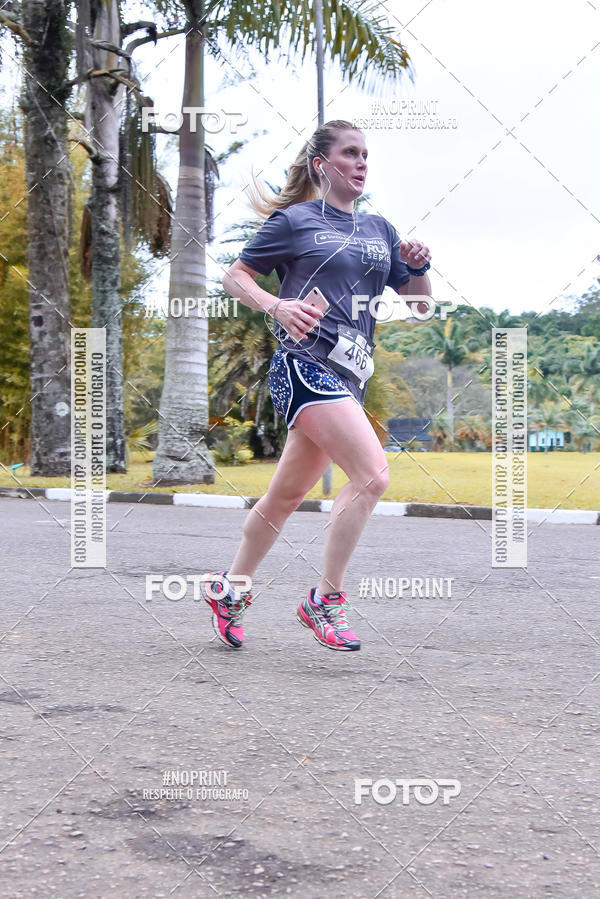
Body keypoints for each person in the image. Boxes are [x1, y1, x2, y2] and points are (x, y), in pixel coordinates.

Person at [202, 119, 432, 652]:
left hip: (349, 378)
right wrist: (277, 305)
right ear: (321, 165)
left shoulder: (381, 230)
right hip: (303, 367)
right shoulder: (296, 221)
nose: (361, 163)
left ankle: (230, 590)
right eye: (350, 153)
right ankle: (325, 601)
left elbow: (419, 308)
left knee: (284, 496)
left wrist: (420, 267)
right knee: (372, 475)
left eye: (366, 155)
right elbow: (234, 276)